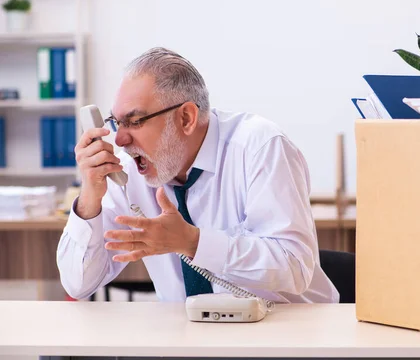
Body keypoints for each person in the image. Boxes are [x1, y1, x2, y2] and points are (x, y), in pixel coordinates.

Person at [57, 47, 339, 303]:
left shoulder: (260, 147)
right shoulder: (126, 168)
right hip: (189, 341)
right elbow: (77, 285)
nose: (120, 140)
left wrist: (192, 242)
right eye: (117, 123)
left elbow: (295, 268)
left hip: (289, 339)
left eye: (135, 121)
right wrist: (89, 198)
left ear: (186, 118)